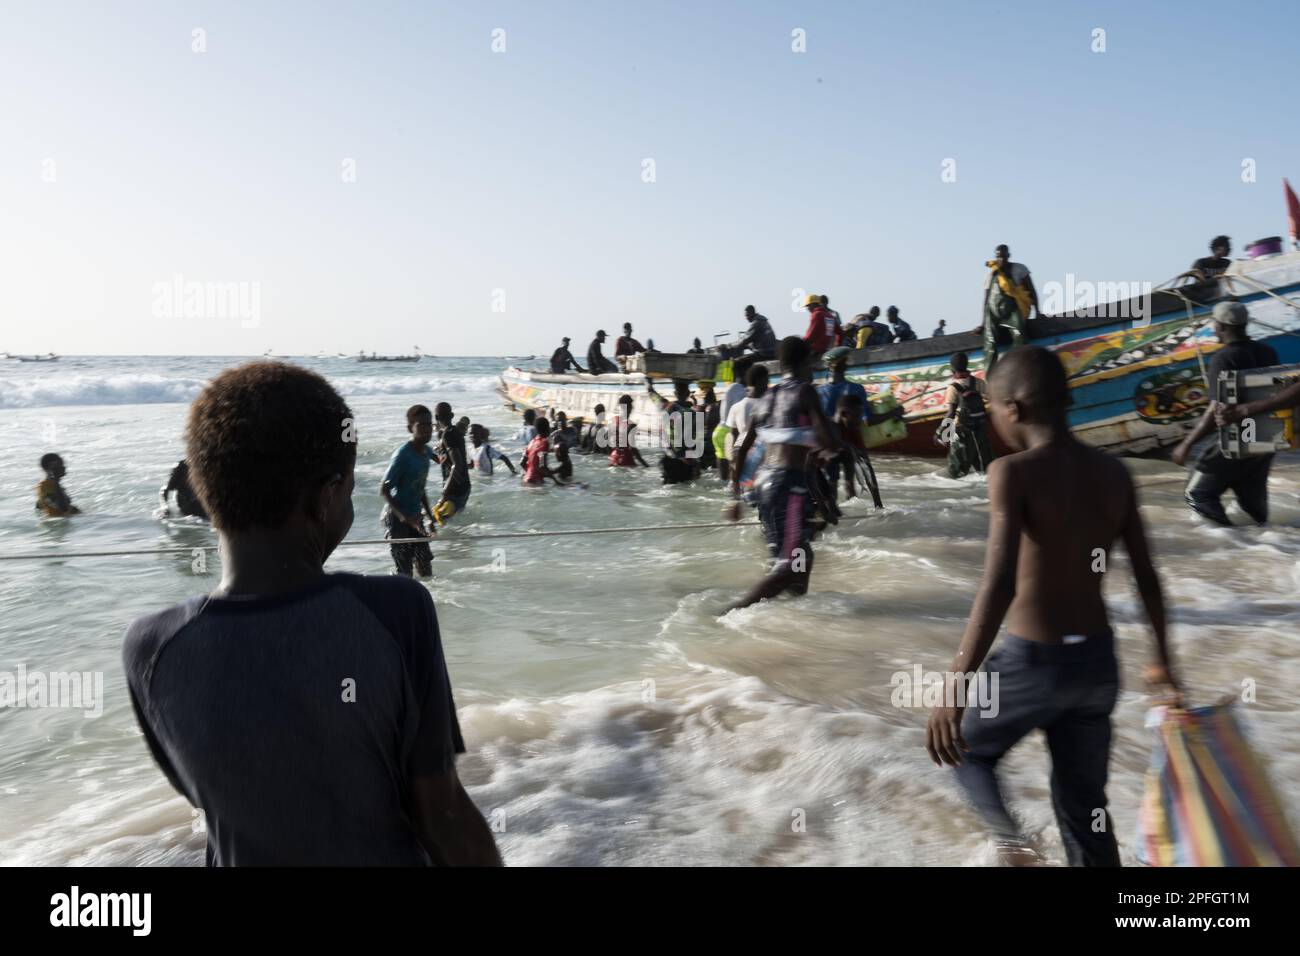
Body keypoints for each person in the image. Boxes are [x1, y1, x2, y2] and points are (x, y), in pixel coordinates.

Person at [122, 362, 501, 865]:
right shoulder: (396, 611)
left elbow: (209, 795)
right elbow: (442, 814)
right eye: (346, 490)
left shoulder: (150, 647)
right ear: (327, 497)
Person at [924, 346, 1176, 867]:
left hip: (1032, 662)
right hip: (1097, 667)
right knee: (1086, 810)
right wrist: (1164, 662)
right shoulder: (1113, 474)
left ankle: (1016, 848)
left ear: (1012, 408)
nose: (993, 417)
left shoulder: (1011, 473)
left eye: (993, 407)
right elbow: (1148, 579)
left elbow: (998, 584)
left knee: (968, 753)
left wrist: (956, 684)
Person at [728, 336, 840, 609]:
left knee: (802, 556)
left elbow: (741, 447)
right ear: (805, 362)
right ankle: (731, 613)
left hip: (763, 484)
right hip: (787, 486)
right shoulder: (804, 391)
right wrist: (833, 434)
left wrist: (733, 497)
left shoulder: (765, 398)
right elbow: (829, 441)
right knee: (788, 564)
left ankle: (792, 612)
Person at [1171, 301, 1280, 525]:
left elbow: (1216, 409)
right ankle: (1267, 544)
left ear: (1220, 326)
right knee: (1253, 506)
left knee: (1198, 495)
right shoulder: (1267, 351)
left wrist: (1186, 444)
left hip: (1238, 439)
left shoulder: (1224, 358)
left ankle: (1234, 544)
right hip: (1267, 439)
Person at [381, 405, 437, 577]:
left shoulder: (426, 452)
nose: (427, 430)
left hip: (416, 517)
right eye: (422, 426)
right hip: (397, 518)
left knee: (426, 570)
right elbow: (384, 489)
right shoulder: (403, 455)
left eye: (430, 425)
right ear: (410, 428)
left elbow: (420, 488)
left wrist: (429, 515)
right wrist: (403, 517)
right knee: (405, 574)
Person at [940, 352, 995, 478]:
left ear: (952, 369)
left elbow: (951, 413)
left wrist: (941, 432)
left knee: (956, 472)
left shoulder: (952, 388)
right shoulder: (978, 382)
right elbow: (992, 398)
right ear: (967, 365)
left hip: (961, 433)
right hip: (980, 430)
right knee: (985, 468)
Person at [983, 244, 1039, 357]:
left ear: (1009, 256)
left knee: (1020, 335)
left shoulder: (1020, 269)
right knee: (990, 341)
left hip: (1015, 310)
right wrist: (983, 323)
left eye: (1004, 256)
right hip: (995, 314)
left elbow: (1032, 291)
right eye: (998, 256)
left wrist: (1038, 312)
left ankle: (1017, 359)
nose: (1001, 259)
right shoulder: (992, 274)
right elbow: (986, 301)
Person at [725, 364, 770, 496]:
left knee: (745, 495)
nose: (767, 385)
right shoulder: (767, 406)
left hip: (742, 457)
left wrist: (733, 468)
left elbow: (733, 438)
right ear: (759, 381)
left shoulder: (736, 407)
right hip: (763, 457)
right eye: (766, 381)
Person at [647, 379, 702, 483]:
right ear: (688, 393)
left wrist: (649, 384)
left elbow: (652, 395)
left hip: (669, 459)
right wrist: (696, 463)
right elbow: (697, 441)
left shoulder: (667, 407)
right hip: (687, 461)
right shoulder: (695, 413)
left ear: (675, 393)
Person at [431, 402, 471, 526]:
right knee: (454, 526)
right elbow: (446, 460)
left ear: (436, 418)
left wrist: (445, 493)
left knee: (439, 523)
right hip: (463, 486)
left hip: (454, 490)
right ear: (452, 415)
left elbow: (457, 464)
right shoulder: (455, 432)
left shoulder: (447, 434)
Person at [607, 395, 650, 467]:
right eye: (631, 406)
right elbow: (632, 448)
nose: (632, 408)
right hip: (626, 460)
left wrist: (612, 454)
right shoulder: (631, 425)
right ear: (629, 407)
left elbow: (606, 438)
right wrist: (645, 464)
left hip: (614, 458)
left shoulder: (613, 421)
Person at [522, 417, 565, 485]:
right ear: (547, 429)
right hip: (536, 482)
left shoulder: (531, 442)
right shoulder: (544, 443)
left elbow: (522, 463)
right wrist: (556, 481)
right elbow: (542, 466)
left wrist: (530, 473)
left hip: (526, 480)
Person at [552, 411, 579, 480]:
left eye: (561, 420)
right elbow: (556, 450)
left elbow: (578, 443)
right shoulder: (555, 435)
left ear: (566, 420)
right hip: (568, 454)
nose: (560, 423)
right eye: (558, 421)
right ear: (556, 422)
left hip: (577, 454)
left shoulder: (573, 430)